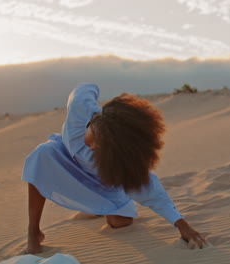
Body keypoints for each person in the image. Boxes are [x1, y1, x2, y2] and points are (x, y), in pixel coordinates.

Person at [22, 83, 206, 254]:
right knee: (43, 154)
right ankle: (33, 231)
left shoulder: (118, 161)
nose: (93, 147)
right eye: (94, 137)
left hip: (103, 182)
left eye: (102, 146)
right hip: (64, 160)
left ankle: (96, 207)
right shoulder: (81, 111)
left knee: (120, 222)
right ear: (95, 122)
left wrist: (183, 226)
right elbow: (85, 88)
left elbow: (155, 194)